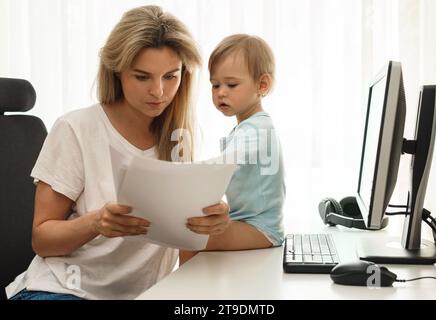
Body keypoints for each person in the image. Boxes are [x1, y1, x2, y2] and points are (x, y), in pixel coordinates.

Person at [6, 5, 230, 300]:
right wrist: (97, 222)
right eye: (142, 77)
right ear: (118, 71)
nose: (158, 92)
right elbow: (42, 240)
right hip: (60, 290)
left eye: (170, 77)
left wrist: (208, 226)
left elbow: (183, 245)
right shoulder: (76, 128)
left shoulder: (182, 138)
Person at [179, 34, 285, 264]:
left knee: (189, 235)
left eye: (231, 84)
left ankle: (184, 293)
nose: (221, 92)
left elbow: (225, 164)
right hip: (251, 223)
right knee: (195, 230)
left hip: (260, 228)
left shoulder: (255, 128)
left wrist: (184, 178)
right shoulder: (251, 126)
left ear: (262, 85)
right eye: (215, 85)